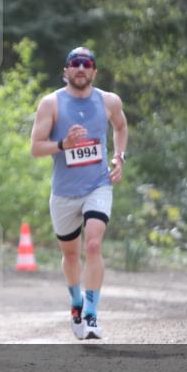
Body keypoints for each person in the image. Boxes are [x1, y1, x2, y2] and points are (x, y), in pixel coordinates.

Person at [30, 47, 128, 339]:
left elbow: (121, 127)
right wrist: (63, 145)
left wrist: (120, 157)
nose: (81, 68)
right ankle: (76, 302)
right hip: (64, 192)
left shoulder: (109, 101)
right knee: (71, 255)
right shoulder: (51, 104)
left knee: (94, 245)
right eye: (75, 64)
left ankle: (92, 314)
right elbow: (36, 148)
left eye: (87, 64)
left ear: (95, 72)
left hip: (98, 185)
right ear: (66, 71)